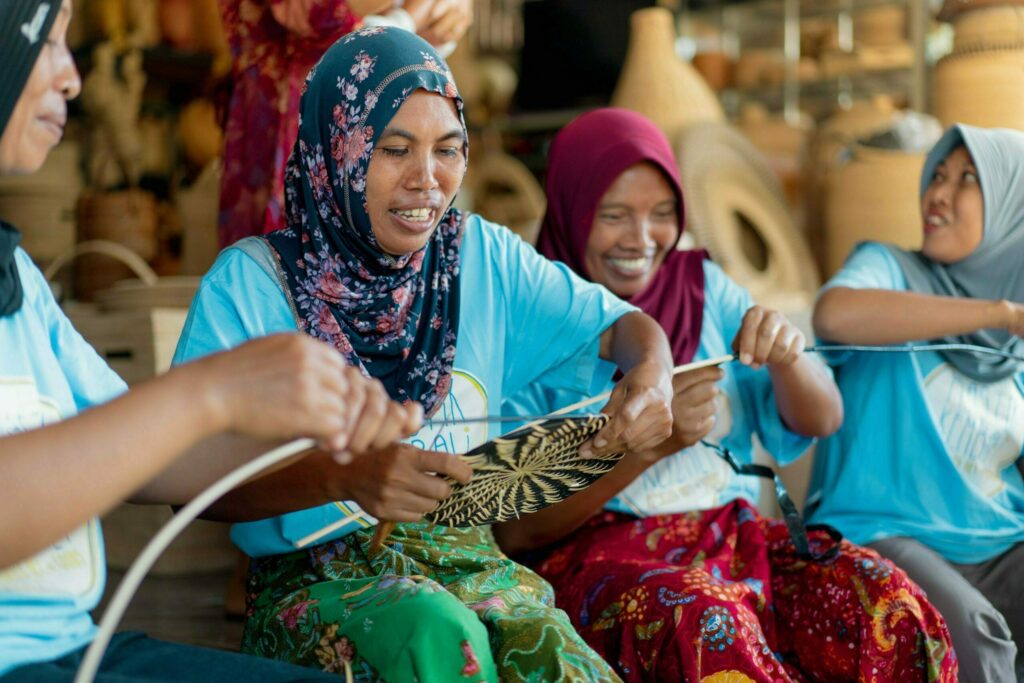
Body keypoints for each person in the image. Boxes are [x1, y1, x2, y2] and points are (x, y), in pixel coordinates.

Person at [174, 26, 677, 683]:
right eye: (394, 149)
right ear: (337, 148)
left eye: (448, 149)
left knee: (549, 646)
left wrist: (652, 376)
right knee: (435, 630)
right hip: (313, 582)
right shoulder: (251, 285)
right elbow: (190, 482)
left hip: (473, 565)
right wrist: (343, 476)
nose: (426, 180)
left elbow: (627, 326)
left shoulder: (481, 257)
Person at [0, 1, 421, 680]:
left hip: (74, 647)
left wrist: (325, 437)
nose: (72, 78)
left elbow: (148, 458)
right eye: (47, 43)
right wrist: (209, 392)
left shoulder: (13, 274)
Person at [497, 108, 957, 682]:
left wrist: (789, 359)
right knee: (706, 620)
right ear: (572, 209)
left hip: (736, 543)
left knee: (884, 599)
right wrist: (645, 448)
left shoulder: (703, 289)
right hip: (602, 558)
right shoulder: (531, 320)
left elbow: (825, 417)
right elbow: (515, 532)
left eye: (663, 215)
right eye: (614, 215)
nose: (642, 239)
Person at [810, 123, 1024, 683]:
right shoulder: (888, 269)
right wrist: (998, 315)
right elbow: (835, 316)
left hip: (999, 538)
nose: (938, 194)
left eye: (967, 180)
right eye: (938, 176)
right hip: (882, 529)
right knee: (972, 633)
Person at [218, 0, 472, 246]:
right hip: (294, 114)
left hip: (388, 102)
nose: (426, 179)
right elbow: (305, 13)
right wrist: (405, 20)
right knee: (281, 260)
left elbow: (442, 24)